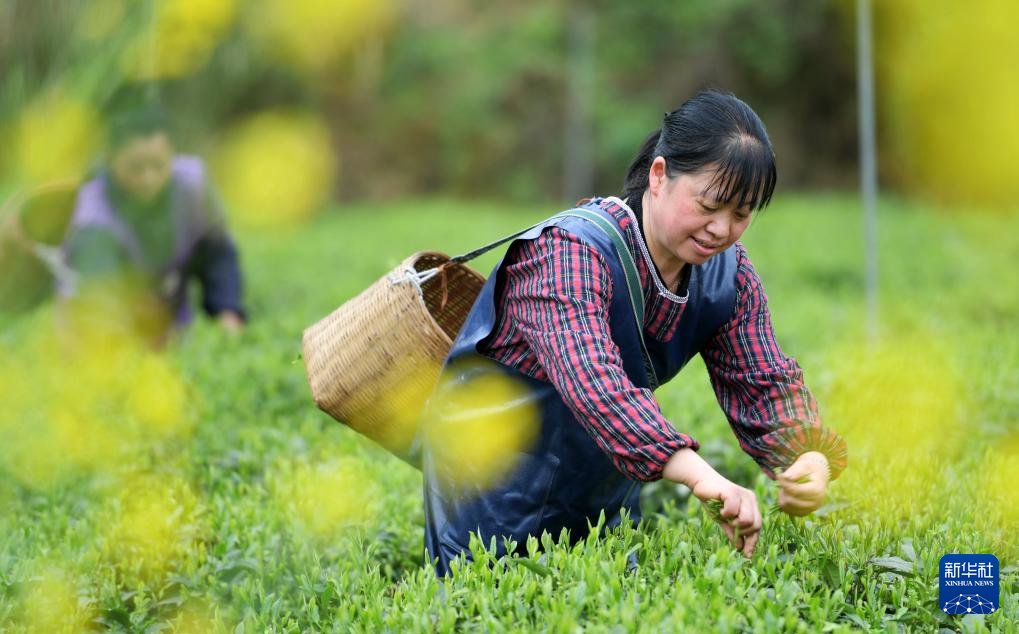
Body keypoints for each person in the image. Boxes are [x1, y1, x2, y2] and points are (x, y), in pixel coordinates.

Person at [422, 90, 848, 576]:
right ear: (660, 175)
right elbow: (595, 384)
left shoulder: (727, 276)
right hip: (491, 486)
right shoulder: (567, 254)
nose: (721, 229)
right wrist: (701, 476)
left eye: (741, 214)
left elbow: (762, 378)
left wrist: (808, 457)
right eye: (709, 204)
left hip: (603, 480)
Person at [60, 105, 245, 340]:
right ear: (109, 159)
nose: (149, 179)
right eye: (136, 167)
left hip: (168, 310)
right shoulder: (92, 215)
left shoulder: (193, 183)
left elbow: (218, 254)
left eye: (158, 165)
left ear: (172, 154)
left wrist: (227, 311)